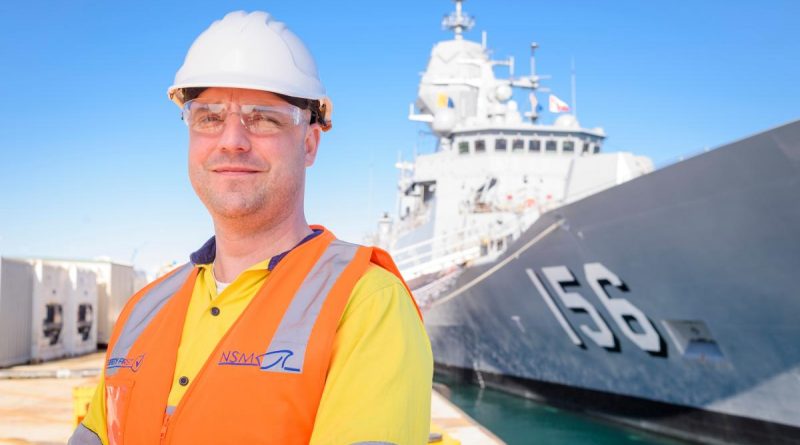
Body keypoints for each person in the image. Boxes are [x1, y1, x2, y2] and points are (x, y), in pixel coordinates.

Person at [68, 10, 432, 445]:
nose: (232, 139)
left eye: (263, 118)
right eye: (208, 117)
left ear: (310, 142)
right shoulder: (142, 312)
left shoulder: (365, 305)